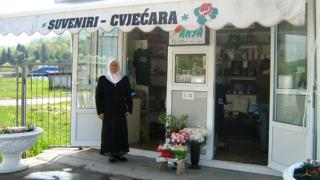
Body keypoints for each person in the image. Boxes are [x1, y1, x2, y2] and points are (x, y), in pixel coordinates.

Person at [95, 58, 133, 163]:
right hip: (108, 111)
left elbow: (129, 96)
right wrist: (100, 111)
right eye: (112, 65)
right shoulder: (103, 79)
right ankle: (111, 154)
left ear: (119, 67)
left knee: (120, 132)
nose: (113, 67)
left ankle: (119, 153)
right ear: (108, 66)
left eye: (116, 65)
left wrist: (129, 110)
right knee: (109, 132)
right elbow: (98, 97)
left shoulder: (124, 79)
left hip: (121, 111)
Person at [256, 55, 270, 153]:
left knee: (264, 127)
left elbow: (256, 90)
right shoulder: (271, 78)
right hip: (270, 104)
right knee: (272, 126)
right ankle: (271, 148)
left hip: (260, 103)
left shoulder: (258, 77)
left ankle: (263, 148)